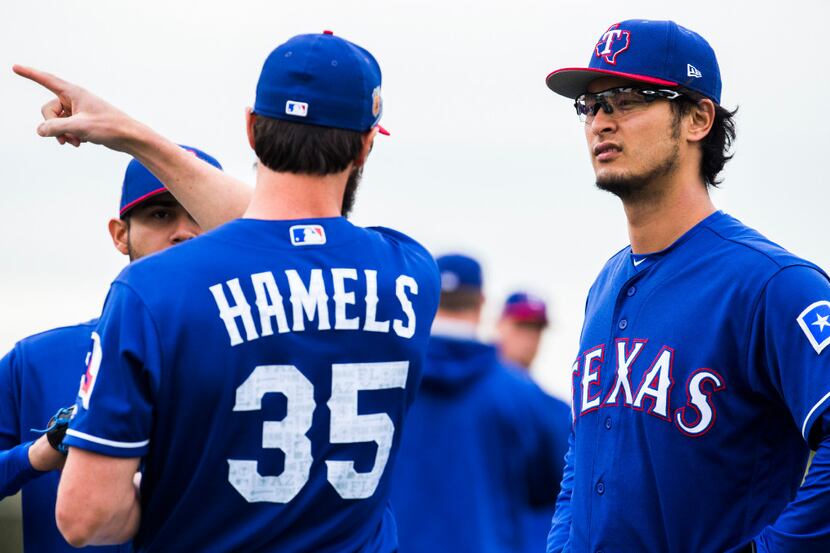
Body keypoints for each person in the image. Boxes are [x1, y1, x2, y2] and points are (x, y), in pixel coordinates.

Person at [17, 31, 440, 551]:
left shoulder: (152, 290)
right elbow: (287, 237)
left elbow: (85, 519)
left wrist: (133, 136)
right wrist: (132, 136)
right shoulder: (411, 274)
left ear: (250, 129)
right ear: (366, 144)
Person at [544, 19, 830, 553]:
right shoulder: (605, 283)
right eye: (591, 105)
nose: (600, 121)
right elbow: (583, 453)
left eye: (626, 99)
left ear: (698, 117)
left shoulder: (773, 284)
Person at [0, 146, 221, 552]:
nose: (183, 232)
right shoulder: (34, 361)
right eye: (160, 214)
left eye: (199, 215)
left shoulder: (265, 355)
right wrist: (35, 455)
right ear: (121, 234)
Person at [390, 254, 570, 553]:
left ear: (425, 299)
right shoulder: (522, 397)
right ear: (483, 303)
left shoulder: (386, 381)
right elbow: (566, 492)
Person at [496, 291, 550, 370]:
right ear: (500, 324)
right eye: (523, 326)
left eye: (537, 328)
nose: (530, 337)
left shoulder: (530, 381)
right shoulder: (476, 373)